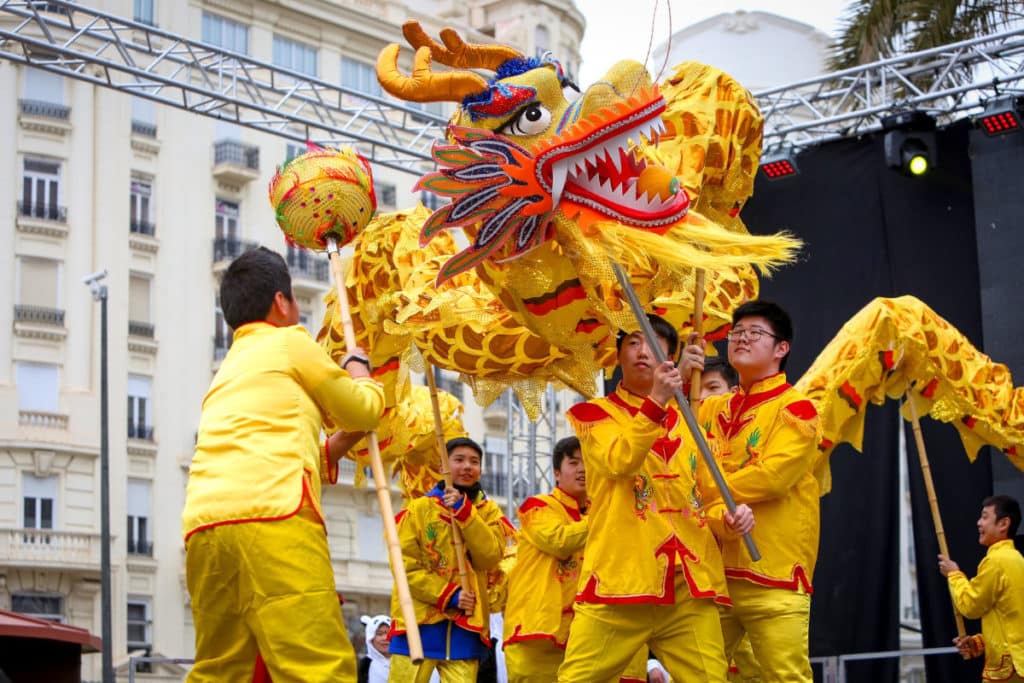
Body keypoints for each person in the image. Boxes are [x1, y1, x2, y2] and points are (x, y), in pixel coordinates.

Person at [182, 246, 385, 681]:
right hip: (275, 516)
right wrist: (361, 372)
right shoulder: (289, 342)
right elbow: (363, 409)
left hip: (204, 528)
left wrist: (339, 441)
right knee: (317, 667)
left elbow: (292, 450)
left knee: (220, 669)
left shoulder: (226, 372)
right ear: (281, 302)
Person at [558, 313, 754, 682]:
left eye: (653, 344)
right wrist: (657, 399)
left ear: (669, 360)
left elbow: (705, 495)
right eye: (632, 343)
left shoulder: (691, 421)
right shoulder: (593, 415)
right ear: (618, 357)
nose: (642, 351)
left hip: (687, 582)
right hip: (620, 580)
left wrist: (727, 521)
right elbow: (619, 461)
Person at [691, 300, 821, 683]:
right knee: (699, 674)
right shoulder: (710, 409)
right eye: (737, 333)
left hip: (773, 573)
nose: (742, 339)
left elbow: (773, 477)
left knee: (785, 677)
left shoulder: (797, 409)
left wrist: (708, 490)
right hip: (714, 573)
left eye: (754, 332)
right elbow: (683, 468)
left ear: (782, 348)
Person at [389, 437, 516, 683]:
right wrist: (450, 595)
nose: (467, 466)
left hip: (466, 630)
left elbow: (489, 557)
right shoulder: (419, 511)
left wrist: (465, 514)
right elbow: (404, 567)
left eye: (474, 461)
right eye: (459, 460)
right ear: (443, 465)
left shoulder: (489, 513)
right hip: (418, 626)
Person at [503, 436, 589, 682]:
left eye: (588, 462)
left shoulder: (596, 512)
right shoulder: (537, 507)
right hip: (535, 635)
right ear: (556, 473)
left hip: (581, 635)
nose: (582, 469)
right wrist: (604, 515)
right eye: (574, 463)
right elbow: (559, 541)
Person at [938, 495, 1024, 681]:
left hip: (1008, 670)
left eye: (985, 517)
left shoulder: (996, 561)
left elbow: (970, 605)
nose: (978, 523)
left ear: (1003, 524)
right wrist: (978, 642)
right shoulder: (1017, 559)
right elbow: (1011, 623)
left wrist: (954, 575)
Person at [359, 615, 392, 683]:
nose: (385, 638)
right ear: (370, 638)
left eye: (389, 634)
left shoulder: (402, 661)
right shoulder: (364, 665)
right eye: (379, 634)